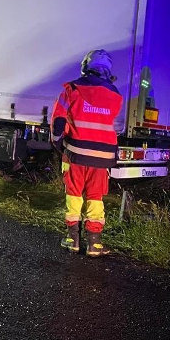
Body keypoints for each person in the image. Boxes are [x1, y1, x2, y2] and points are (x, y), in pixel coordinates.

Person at [51, 49, 123, 257]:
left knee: (74, 194)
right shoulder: (115, 94)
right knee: (95, 196)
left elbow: (58, 121)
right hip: (102, 157)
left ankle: (72, 239)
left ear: (85, 66)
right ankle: (95, 244)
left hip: (75, 152)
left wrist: (58, 144)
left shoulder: (72, 89)